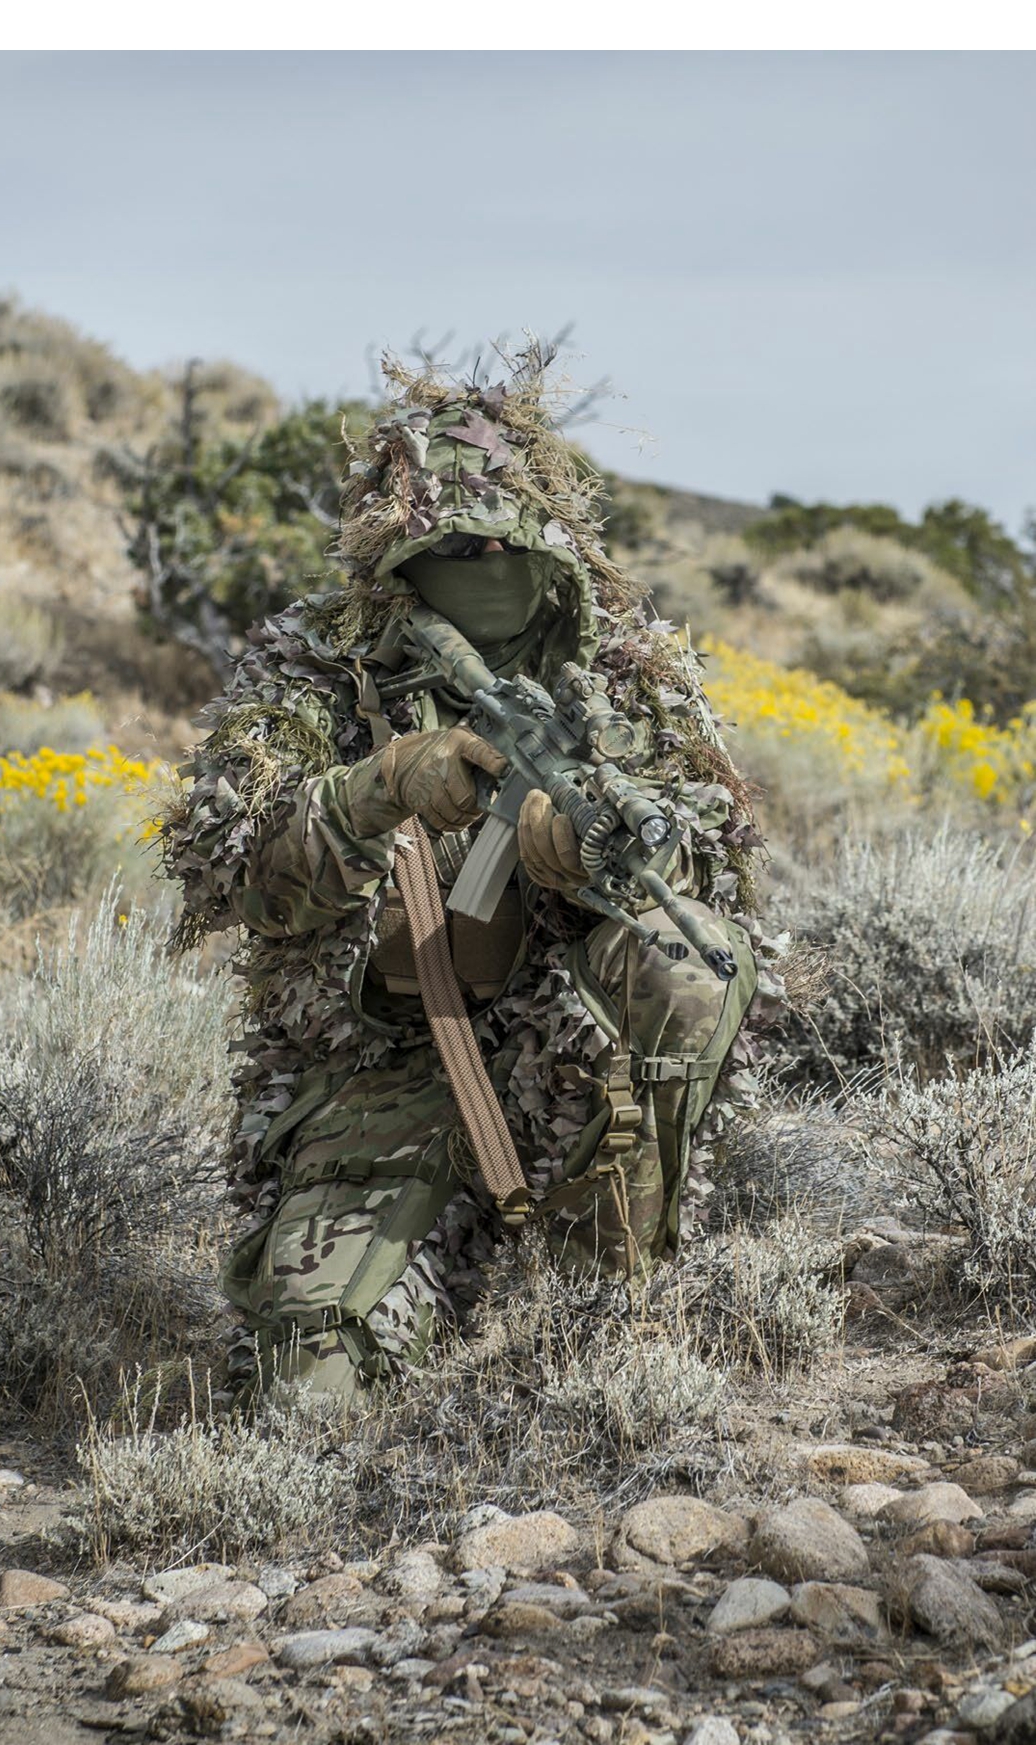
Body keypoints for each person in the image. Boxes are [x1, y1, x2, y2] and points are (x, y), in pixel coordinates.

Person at [162, 357, 780, 1403]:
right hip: (379, 1073)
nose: (485, 565)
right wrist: (381, 787)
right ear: (399, 554)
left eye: (506, 545)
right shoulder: (318, 671)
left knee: (687, 961)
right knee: (308, 1387)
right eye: (454, 548)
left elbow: (708, 855)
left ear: (551, 546)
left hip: (569, 1059)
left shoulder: (627, 676)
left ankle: (595, 1303)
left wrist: (585, 861)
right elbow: (231, 874)